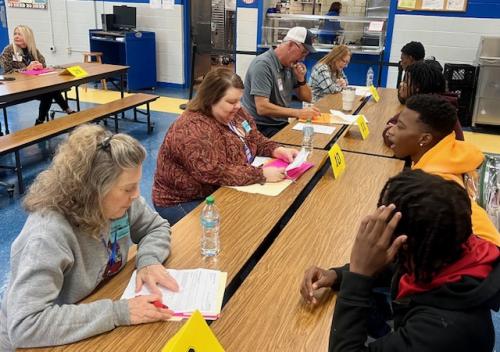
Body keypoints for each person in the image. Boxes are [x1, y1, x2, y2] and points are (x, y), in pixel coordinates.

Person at [0, 125, 179, 351]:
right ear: (94, 190)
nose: (136, 195)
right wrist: (118, 312)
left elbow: (156, 227)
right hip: (39, 341)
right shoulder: (47, 235)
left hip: (90, 306)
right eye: (127, 188)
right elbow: (25, 325)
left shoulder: (122, 205)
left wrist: (150, 259)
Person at [300, 169, 500, 351]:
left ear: (403, 243)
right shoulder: (447, 250)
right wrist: (337, 275)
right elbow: (393, 267)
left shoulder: (441, 330)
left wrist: (358, 274)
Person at [153, 68, 298, 226]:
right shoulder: (192, 128)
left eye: (239, 100)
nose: (238, 106)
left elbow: (254, 137)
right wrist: (260, 175)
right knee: (228, 230)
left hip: (223, 187)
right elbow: (213, 171)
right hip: (184, 200)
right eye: (231, 102)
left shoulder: (235, 113)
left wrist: (276, 149)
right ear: (210, 99)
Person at [385, 94, 500, 245]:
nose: (390, 131)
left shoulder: (433, 185)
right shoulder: (449, 154)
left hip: (480, 258)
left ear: (425, 139)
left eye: (400, 127)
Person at [241, 26, 320, 137]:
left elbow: (307, 98)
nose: (303, 59)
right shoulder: (263, 65)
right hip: (260, 126)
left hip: (279, 123)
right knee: (297, 144)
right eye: (303, 53)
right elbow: (262, 107)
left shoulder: (290, 65)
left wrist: (301, 79)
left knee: (312, 136)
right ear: (291, 45)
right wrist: (298, 113)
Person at [0, 25, 74, 125]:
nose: (16, 36)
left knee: (51, 89)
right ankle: (65, 111)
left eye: (19, 34)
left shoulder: (33, 50)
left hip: (34, 84)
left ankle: (41, 121)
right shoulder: (8, 50)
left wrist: (40, 66)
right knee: (50, 91)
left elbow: (43, 63)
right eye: (15, 34)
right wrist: (26, 69)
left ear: (27, 37)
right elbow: (7, 72)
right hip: (18, 87)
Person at [383, 61, 464, 146]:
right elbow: (394, 123)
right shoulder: (433, 102)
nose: (402, 84)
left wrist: (391, 130)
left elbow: (396, 140)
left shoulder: (430, 109)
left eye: (406, 82)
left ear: (417, 87)